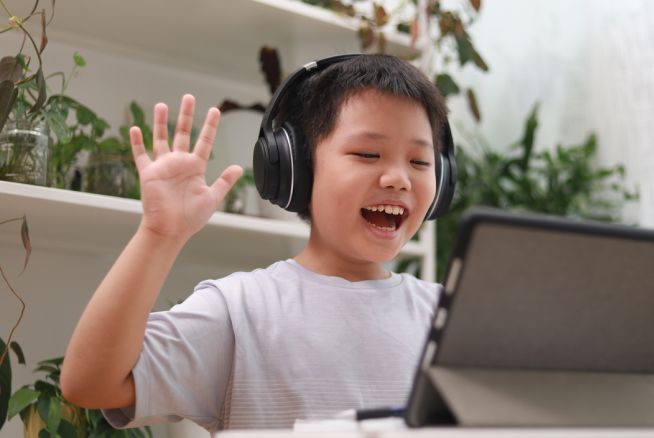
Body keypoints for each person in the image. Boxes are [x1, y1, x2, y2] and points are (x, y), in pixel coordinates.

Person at [60, 54, 455, 431]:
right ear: (295, 168)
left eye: (420, 162)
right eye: (369, 154)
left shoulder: (447, 317)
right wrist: (158, 236)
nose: (398, 179)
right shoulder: (241, 310)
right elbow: (89, 383)